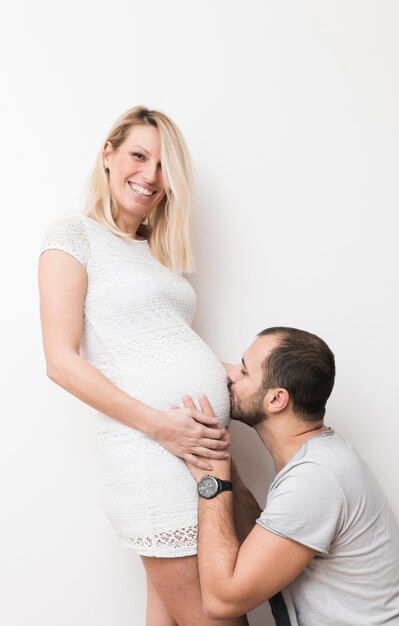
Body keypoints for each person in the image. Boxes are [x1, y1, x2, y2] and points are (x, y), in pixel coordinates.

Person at [38, 106, 248, 626]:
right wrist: (163, 426)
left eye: (162, 166)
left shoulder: (153, 249)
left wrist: (231, 370)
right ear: (107, 155)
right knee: (218, 616)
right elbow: (60, 362)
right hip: (151, 453)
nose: (150, 176)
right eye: (138, 155)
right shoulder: (73, 233)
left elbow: (159, 340)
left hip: (193, 452)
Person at [184, 327, 399, 625]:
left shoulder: (316, 478)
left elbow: (221, 601)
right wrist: (227, 471)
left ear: (276, 400)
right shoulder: (319, 458)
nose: (231, 375)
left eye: (244, 371)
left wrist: (213, 484)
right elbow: (264, 546)